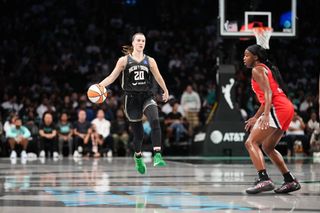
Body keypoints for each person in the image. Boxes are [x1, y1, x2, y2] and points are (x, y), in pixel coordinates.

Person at [98, 32, 169, 174]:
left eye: (143, 40)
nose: (141, 42)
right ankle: (138, 156)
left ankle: (157, 155)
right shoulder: (124, 61)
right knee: (139, 134)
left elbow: (158, 76)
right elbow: (112, 77)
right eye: (138, 40)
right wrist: (100, 86)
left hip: (147, 96)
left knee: (155, 120)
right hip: (130, 99)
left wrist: (165, 90)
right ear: (133, 43)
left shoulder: (150, 61)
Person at [243, 44, 301, 194]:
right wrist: (255, 117)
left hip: (278, 108)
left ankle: (264, 179)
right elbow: (265, 98)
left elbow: (268, 93)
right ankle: (290, 180)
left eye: (247, 55)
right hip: (286, 107)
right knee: (267, 147)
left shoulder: (257, 69)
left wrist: (267, 114)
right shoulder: (265, 69)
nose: (244, 58)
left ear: (256, 57)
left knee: (251, 142)